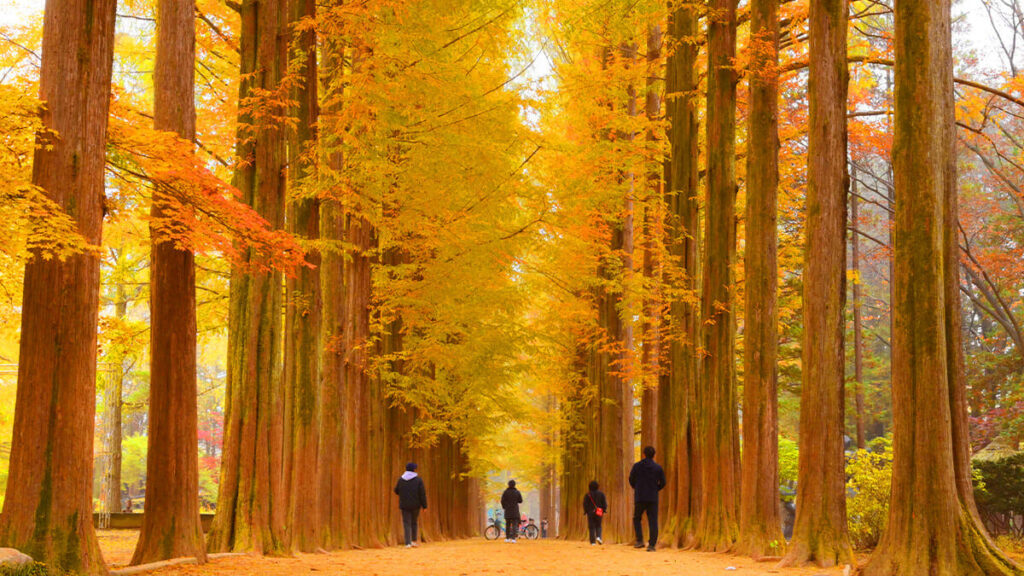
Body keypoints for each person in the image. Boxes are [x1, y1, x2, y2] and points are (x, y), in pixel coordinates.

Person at [629, 445, 666, 551]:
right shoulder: (658, 468)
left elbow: (631, 479)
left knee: (637, 518)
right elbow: (663, 482)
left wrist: (636, 487)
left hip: (640, 496)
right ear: (654, 455)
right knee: (653, 521)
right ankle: (651, 545)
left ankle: (640, 540)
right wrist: (655, 489)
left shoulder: (637, 466)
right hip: (652, 498)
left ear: (643, 454)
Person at [394, 462, 427, 548]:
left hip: (404, 504)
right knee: (414, 522)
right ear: (414, 470)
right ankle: (413, 541)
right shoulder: (418, 480)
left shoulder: (401, 479)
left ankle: (407, 543)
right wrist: (424, 506)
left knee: (406, 523)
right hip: (416, 505)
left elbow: (396, 490)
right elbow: (422, 494)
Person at [582, 480, 608, 545]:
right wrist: (604, 509)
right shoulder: (601, 494)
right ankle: (599, 537)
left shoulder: (587, 494)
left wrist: (586, 511)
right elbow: (604, 502)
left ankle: (593, 542)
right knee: (598, 525)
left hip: (590, 512)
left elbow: (585, 504)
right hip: (599, 512)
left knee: (591, 527)